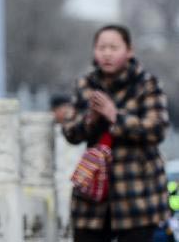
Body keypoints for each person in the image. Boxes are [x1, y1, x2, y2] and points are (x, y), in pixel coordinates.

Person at [62, 24, 171, 242]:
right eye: (101, 47)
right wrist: (90, 118)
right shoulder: (85, 85)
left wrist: (115, 116)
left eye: (114, 47)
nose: (107, 54)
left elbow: (157, 129)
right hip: (93, 192)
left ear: (129, 50)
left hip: (137, 191)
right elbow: (70, 133)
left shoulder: (146, 84)